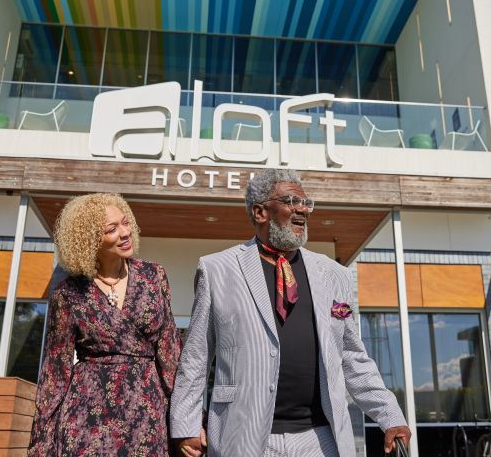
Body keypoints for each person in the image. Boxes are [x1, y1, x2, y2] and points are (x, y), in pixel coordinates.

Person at [170, 169, 411, 456]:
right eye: (291, 201)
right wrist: (185, 425)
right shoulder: (217, 270)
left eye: (306, 203)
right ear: (260, 212)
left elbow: (351, 356)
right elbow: (196, 355)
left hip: (320, 439)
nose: (303, 210)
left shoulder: (335, 274)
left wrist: (390, 415)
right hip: (244, 435)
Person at [29, 193, 181, 456]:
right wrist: (41, 445)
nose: (125, 232)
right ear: (89, 240)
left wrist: (189, 418)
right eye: (112, 229)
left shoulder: (153, 276)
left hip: (147, 412)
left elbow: (170, 354)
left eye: (125, 222)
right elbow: (55, 373)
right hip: (86, 417)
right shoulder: (68, 293)